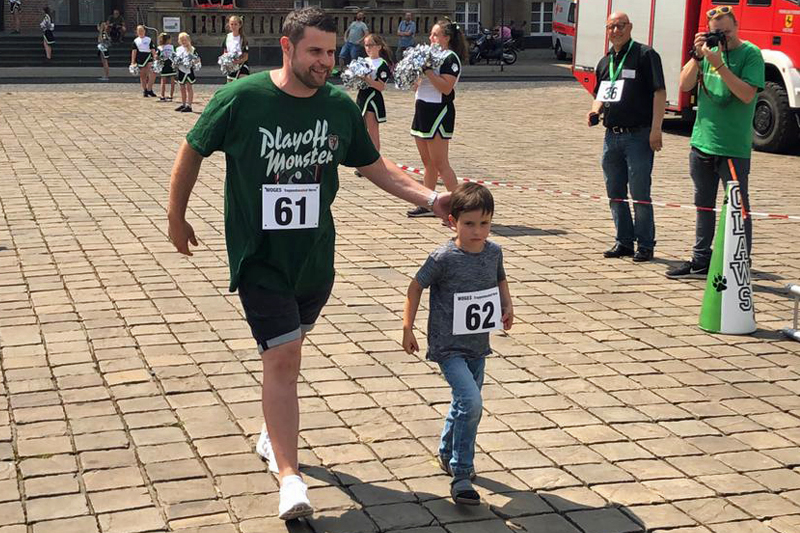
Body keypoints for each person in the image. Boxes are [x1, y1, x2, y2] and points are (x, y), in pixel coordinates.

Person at [167, 7, 451, 520]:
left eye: (331, 52)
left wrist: (431, 199)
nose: (325, 62)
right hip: (260, 258)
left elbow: (375, 167)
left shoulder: (338, 106)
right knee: (283, 357)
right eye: (315, 51)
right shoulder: (242, 98)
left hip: (315, 261)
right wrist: (176, 216)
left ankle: (271, 431)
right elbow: (193, 148)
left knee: (288, 353)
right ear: (287, 47)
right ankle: (290, 478)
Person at [402, 182, 513, 506]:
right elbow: (415, 286)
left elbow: (500, 278)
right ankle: (462, 474)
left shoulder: (493, 252)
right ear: (453, 222)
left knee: (464, 403)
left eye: (484, 223)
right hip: (447, 346)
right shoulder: (443, 257)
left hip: (478, 345)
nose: (477, 231)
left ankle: (446, 451)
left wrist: (507, 305)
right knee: (471, 402)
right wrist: (408, 327)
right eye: (469, 224)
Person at [667, 6, 764, 279]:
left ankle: (741, 262)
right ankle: (700, 260)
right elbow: (685, 85)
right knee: (703, 206)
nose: (722, 38)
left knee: (738, 208)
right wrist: (697, 56)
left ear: (737, 26)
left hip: (732, 146)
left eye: (726, 32)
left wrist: (719, 64)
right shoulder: (707, 53)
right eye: (716, 33)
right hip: (702, 143)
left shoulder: (751, 54)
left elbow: (747, 95)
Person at [586, 12, 665, 263]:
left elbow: (659, 92)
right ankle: (624, 241)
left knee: (640, 193)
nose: (616, 30)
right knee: (615, 192)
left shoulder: (645, 55)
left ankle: (645, 244)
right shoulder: (606, 61)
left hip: (638, 135)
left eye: (620, 25)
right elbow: (601, 94)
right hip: (612, 137)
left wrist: (656, 129)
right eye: (611, 27)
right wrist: (594, 110)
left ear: (630, 27)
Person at [407, 18, 468, 218]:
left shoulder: (450, 58)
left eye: (435, 34)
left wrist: (428, 71)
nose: (431, 38)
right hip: (422, 109)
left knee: (441, 164)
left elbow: (446, 87)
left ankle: (460, 207)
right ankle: (428, 204)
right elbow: (417, 86)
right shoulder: (429, 56)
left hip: (439, 111)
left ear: (447, 38)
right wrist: (413, 74)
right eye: (431, 34)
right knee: (428, 163)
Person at [356, 34, 392, 156]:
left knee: (372, 131)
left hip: (372, 99)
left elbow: (381, 87)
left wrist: (367, 79)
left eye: (370, 45)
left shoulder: (382, 64)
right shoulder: (363, 61)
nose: (368, 48)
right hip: (362, 97)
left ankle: (375, 158)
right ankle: (363, 157)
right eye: (366, 45)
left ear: (379, 47)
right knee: (361, 130)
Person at [131, 25, 157, 98]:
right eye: (139, 31)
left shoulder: (148, 39)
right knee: (143, 75)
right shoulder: (136, 41)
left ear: (144, 31)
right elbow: (134, 51)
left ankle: (149, 89)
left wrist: (155, 58)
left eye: (142, 30)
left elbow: (152, 49)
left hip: (148, 56)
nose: (140, 32)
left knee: (152, 73)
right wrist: (133, 61)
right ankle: (145, 90)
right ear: (137, 32)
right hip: (140, 57)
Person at [175, 32, 198, 112]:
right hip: (181, 70)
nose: (184, 42)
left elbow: (197, 59)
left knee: (189, 87)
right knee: (182, 88)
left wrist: (192, 62)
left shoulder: (192, 49)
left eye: (185, 40)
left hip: (188, 71)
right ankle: (183, 104)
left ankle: (189, 105)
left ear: (188, 40)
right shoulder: (178, 49)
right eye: (182, 40)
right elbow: (175, 59)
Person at [223, 15, 250, 82]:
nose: (233, 26)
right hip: (231, 68)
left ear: (239, 25)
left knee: (242, 84)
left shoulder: (243, 39)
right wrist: (226, 60)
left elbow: (246, 57)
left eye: (235, 24)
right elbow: (225, 52)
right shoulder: (227, 37)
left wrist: (237, 62)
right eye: (231, 24)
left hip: (241, 67)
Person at [158, 33, 176, 101]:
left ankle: (162, 95)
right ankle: (171, 95)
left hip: (165, 64)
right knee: (172, 80)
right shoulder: (171, 47)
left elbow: (157, 56)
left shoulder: (160, 47)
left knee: (163, 80)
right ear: (168, 40)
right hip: (170, 64)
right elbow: (175, 55)